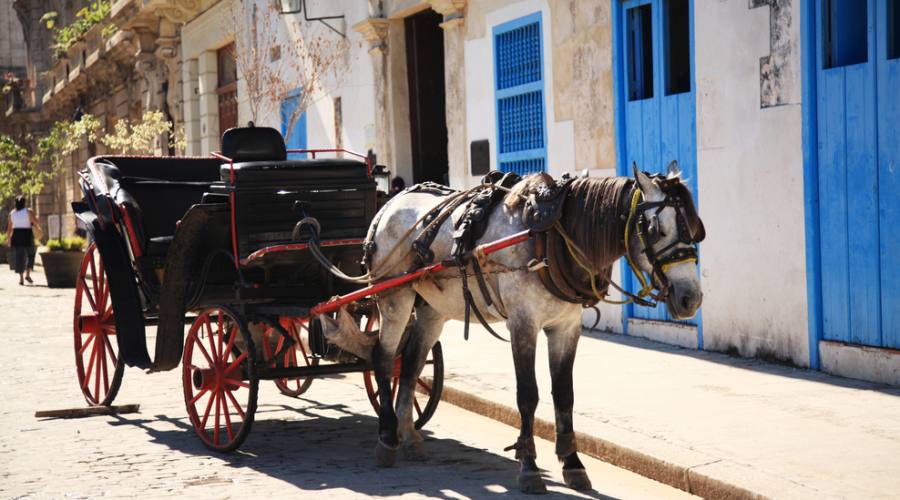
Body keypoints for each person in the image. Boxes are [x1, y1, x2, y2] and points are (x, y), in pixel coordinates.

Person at [6, 196, 41, 285]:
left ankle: (21, 279)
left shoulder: (12, 213)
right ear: (24, 203)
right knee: (31, 254)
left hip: (16, 236)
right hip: (27, 235)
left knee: (19, 257)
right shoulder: (28, 211)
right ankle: (27, 274)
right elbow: (36, 222)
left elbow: (9, 228)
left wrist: (9, 239)